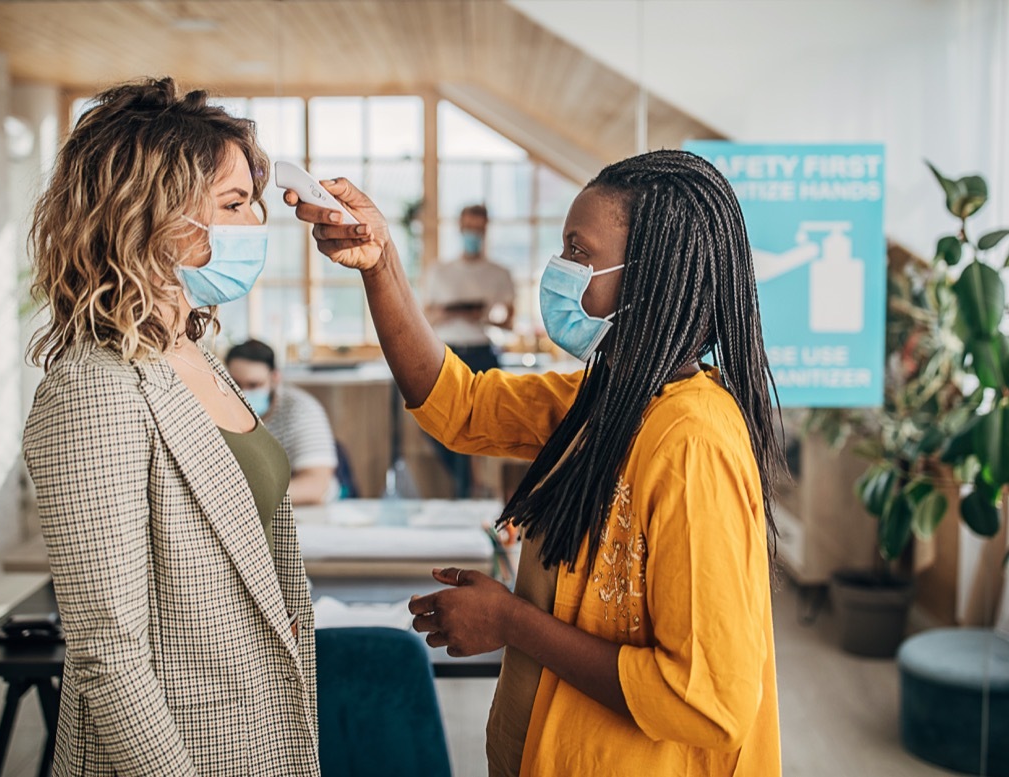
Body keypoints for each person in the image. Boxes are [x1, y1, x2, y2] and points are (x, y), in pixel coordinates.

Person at [285, 150, 783, 776]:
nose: (561, 270)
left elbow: (706, 701)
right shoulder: (607, 400)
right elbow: (458, 405)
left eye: (579, 252)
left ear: (651, 274)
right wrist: (381, 264)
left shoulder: (693, 442)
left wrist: (512, 622)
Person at [22, 77, 318, 777]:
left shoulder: (192, 349)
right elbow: (108, 654)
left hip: (255, 735)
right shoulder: (92, 387)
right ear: (149, 212)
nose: (256, 225)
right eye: (234, 204)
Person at [419, 204, 516, 497]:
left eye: (478, 228)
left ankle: (474, 489)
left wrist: (482, 315)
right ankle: (467, 485)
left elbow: (509, 322)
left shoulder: (499, 274)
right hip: (446, 353)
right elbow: (423, 318)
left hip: (482, 353)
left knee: (483, 424)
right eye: (468, 227)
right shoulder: (439, 272)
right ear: (460, 228)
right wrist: (450, 312)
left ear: (485, 230)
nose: (472, 233)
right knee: (435, 421)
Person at [225, 339, 340, 505]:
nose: (243, 393)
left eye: (254, 385)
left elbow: (316, 485)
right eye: (235, 385)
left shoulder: (302, 410)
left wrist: (243, 499)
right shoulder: (221, 411)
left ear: (275, 378)